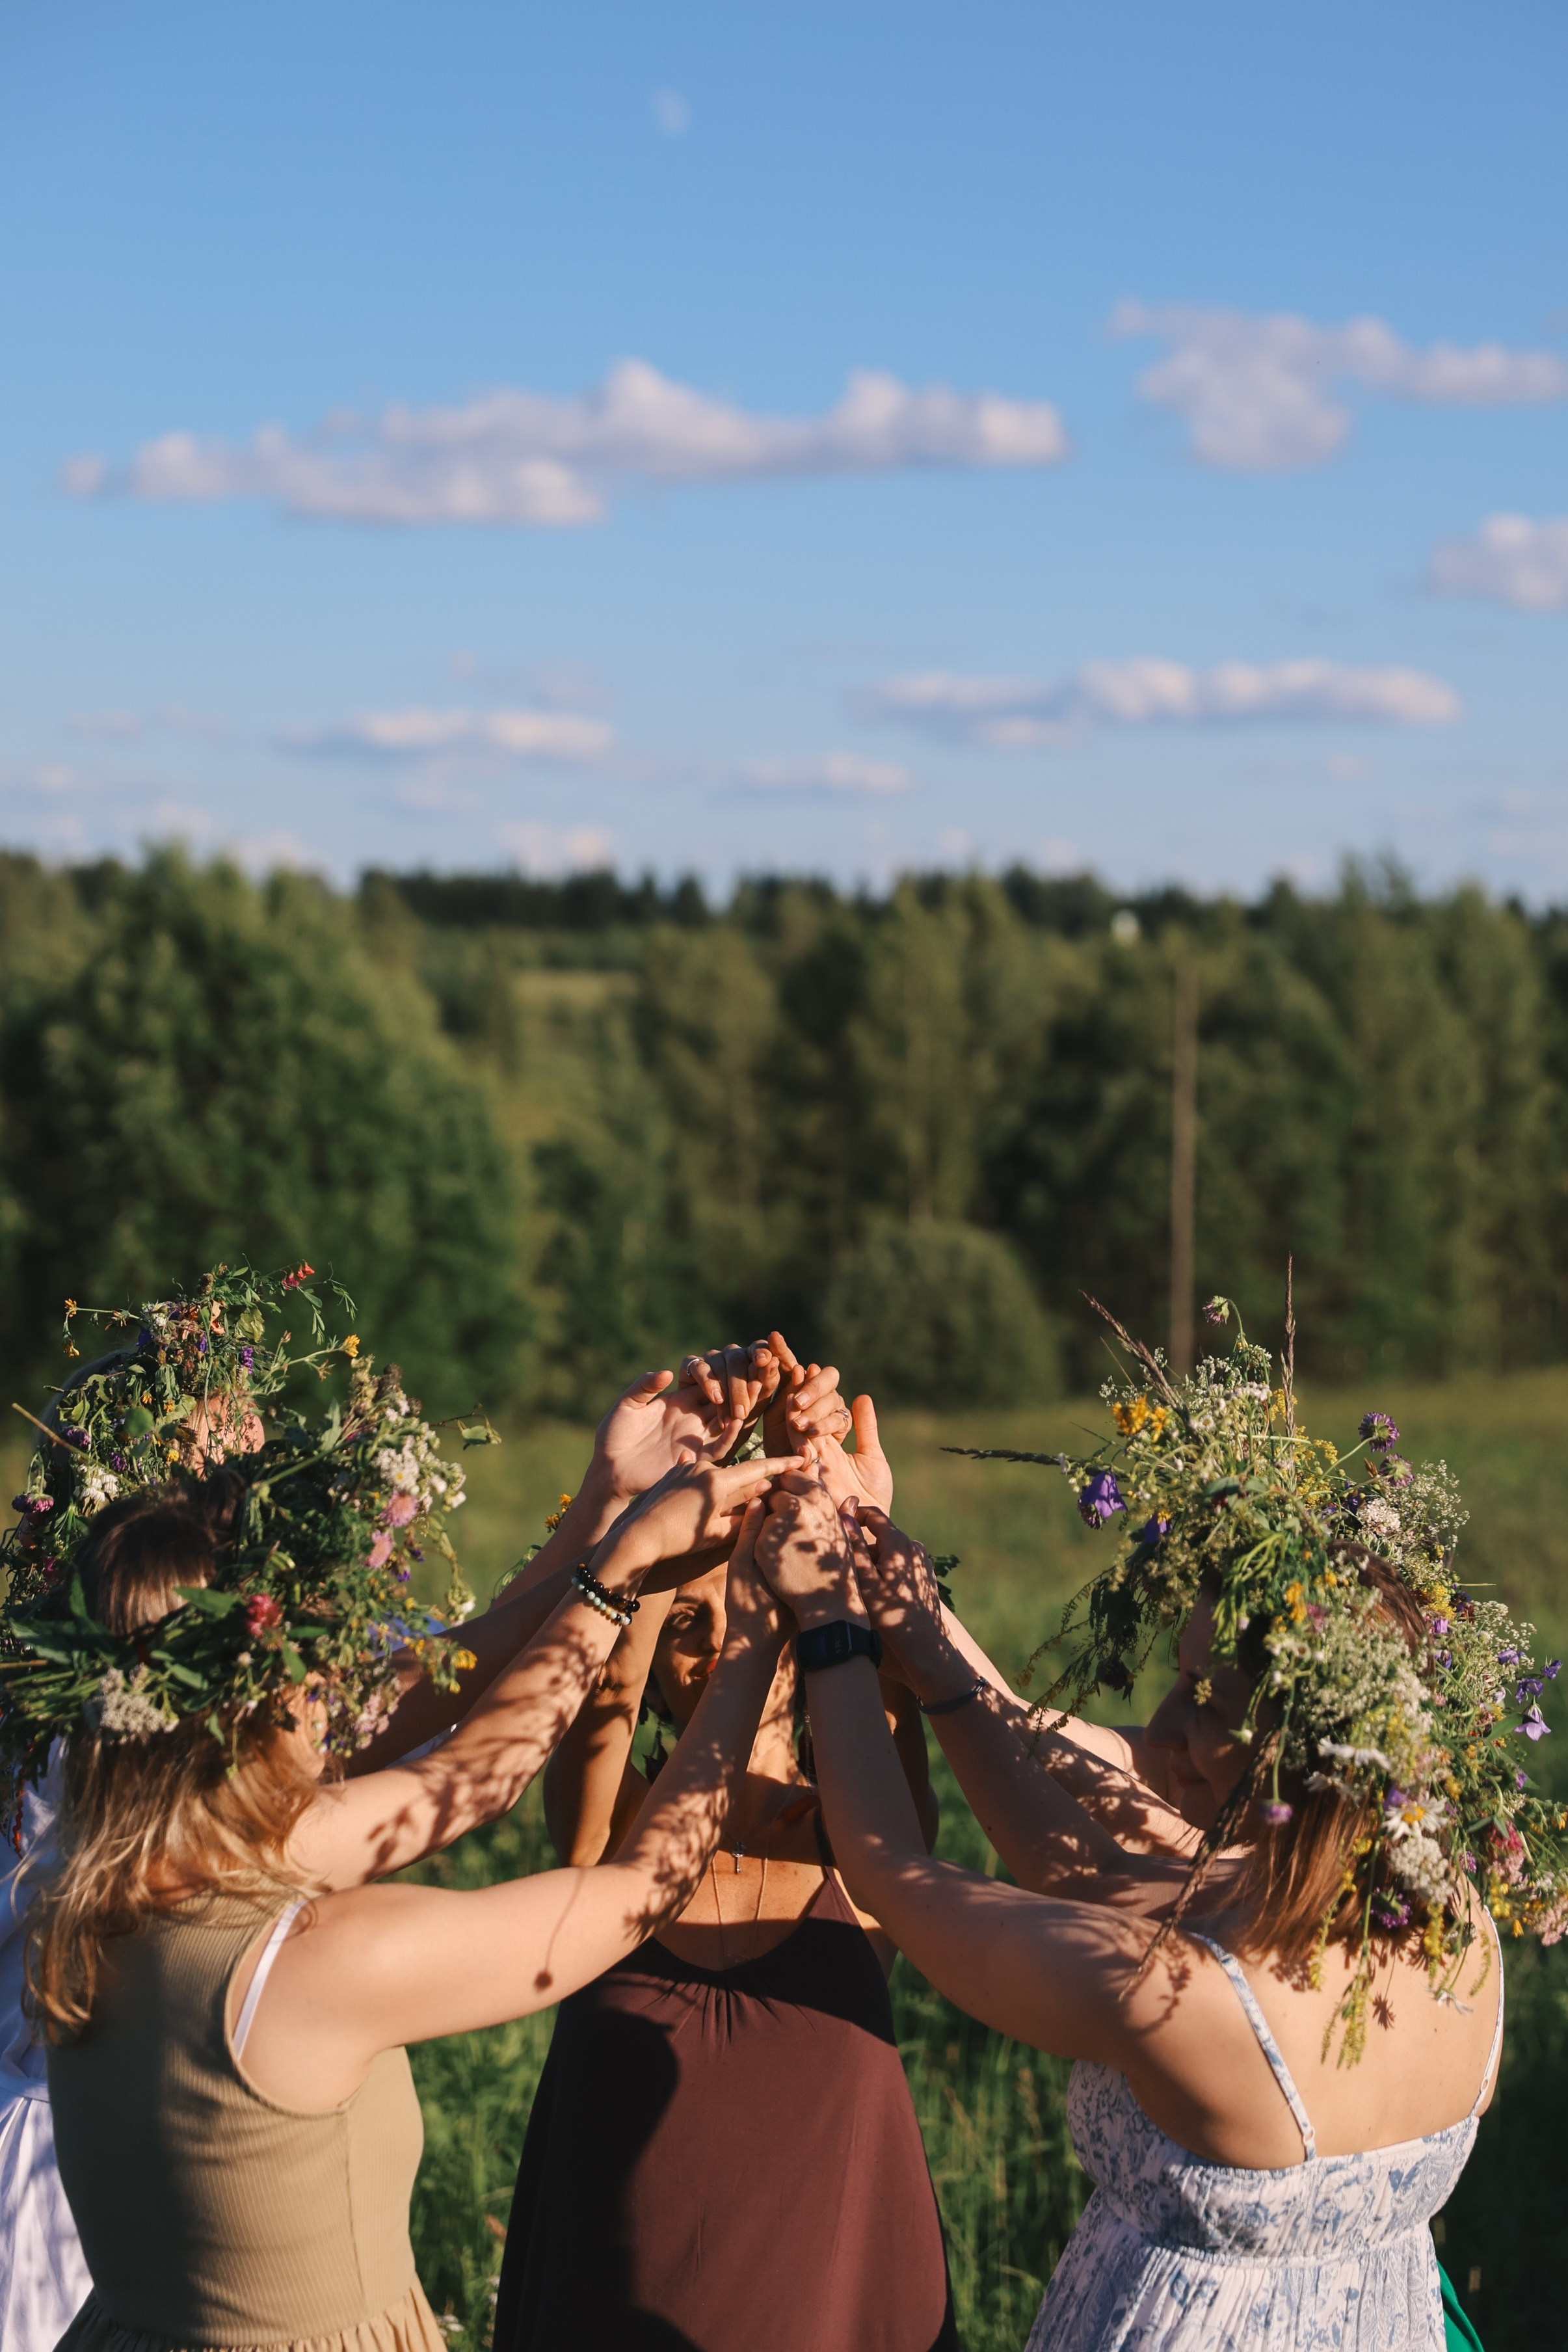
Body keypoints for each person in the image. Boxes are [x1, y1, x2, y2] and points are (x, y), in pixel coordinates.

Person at [8, 1326, 799, 2352]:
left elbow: (472, 1774)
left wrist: (621, 1537)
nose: (339, 1682)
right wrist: (758, 1624)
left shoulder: (112, 1874)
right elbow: (633, 1887)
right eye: (316, 1659)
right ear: (252, 1701)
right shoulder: (319, 1962)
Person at [752, 1445, 1519, 2351]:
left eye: (1204, 1701)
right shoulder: (1448, 1918)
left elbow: (893, 1873)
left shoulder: (1197, 1998)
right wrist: (920, 1629)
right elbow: (1087, 1871)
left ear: (1297, 1751)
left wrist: (830, 1627)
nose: (1162, 1725)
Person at [492, 1367, 952, 2352]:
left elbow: (893, 1677)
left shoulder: (861, 1849)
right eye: (685, 1624)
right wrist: (673, 1503)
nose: (717, 1641)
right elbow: (602, 1698)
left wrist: (842, 1507)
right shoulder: (610, 1840)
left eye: (743, 1609)